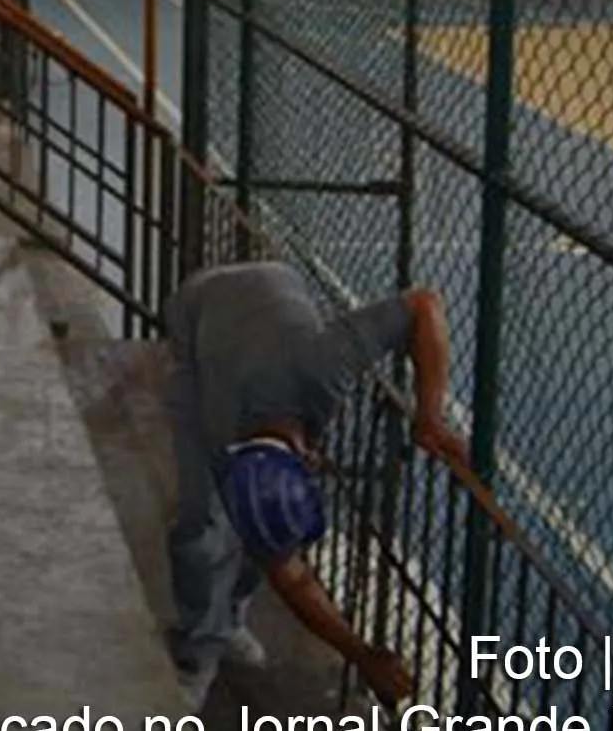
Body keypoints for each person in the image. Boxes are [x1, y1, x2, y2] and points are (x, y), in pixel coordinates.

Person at [163, 260, 470, 708]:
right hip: (197, 311)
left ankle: (227, 620)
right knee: (198, 521)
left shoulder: (322, 366)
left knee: (257, 533)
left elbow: (424, 305)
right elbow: (293, 578)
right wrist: (360, 655)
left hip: (270, 284)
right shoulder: (216, 428)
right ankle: (197, 648)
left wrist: (429, 416)